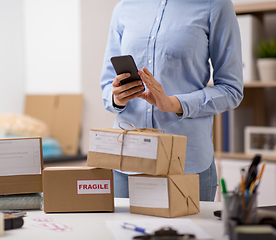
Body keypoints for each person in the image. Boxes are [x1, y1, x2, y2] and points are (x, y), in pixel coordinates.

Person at [100, 0, 243, 201]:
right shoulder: (124, 8)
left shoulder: (215, 5)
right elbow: (107, 86)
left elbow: (231, 89)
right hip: (126, 163)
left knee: (190, 233)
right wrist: (116, 97)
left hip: (186, 164)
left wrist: (174, 104)